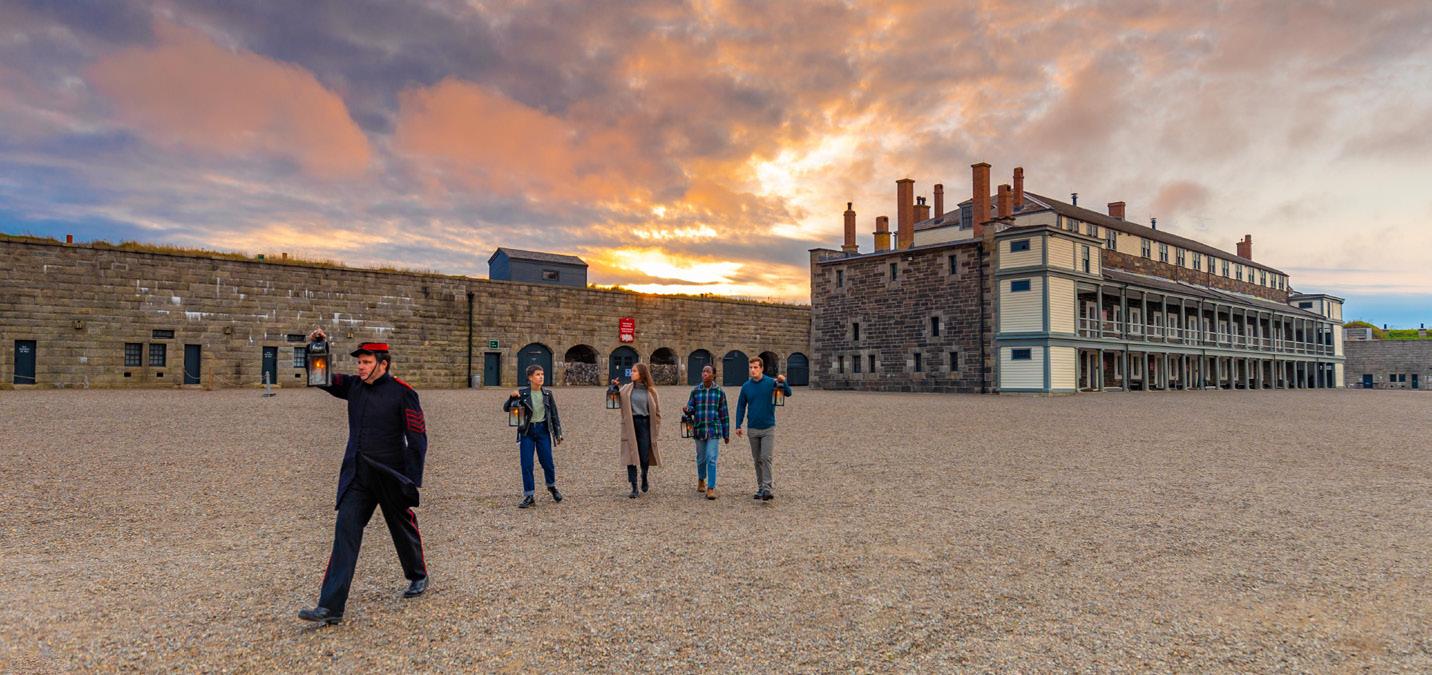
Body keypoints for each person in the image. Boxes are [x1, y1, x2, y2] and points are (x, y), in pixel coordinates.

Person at [298, 330, 429, 626]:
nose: (360, 367)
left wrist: (411, 480)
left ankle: (418, 574)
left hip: (389, 475)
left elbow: (417, 437)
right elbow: (321, 377)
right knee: (345, 533)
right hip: (358, 475)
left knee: (401, 528)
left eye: (367, 362)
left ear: (383, 364)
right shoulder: (353, 386)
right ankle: (330, 607)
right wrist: (317, 347)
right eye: (359, 362)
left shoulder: (403, 392)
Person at [504, 364, 564, 509]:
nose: (541, 377)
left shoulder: (547, 394)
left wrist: (558, 433)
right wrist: (511, 397)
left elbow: (554, 414)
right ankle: (529, 495)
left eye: (542, 374)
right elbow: (506, 408)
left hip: (543, 431)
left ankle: (552, 486)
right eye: (537, 374)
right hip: (527, 432)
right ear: (530, 377)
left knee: (547, 462)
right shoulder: (522, 393)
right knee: (527, 464)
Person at [734, 357, 791, 501]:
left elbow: (788, 393)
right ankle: (760, 488)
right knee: (757, 460)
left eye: (755, 367)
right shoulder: (746, 387)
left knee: (766, 457)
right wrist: (738, 425)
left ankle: (767, 488)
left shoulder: (771, 382)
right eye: (751, 367)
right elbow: (741, 406)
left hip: (768, 427)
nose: (753, 370)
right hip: (752, 428)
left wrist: (783, 381)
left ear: (762, 368)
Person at [683, 364, 729, 500]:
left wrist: (726, 434)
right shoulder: (696, 391)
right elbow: (691, 407)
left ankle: (711, 488)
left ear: (713, 375)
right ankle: (701, 479)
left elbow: (724, 414)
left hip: (714, 429)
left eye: (708, 371)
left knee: (711, 458)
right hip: (699, 428)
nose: (705, 373)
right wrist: (688, 409)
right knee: (701, 458)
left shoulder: (719, 392)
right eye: (703, 371)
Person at [617, 362, 662, 498]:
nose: (631, 373)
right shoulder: (626, 389)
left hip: (645, 424)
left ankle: (644, 475)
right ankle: (634, 487)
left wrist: (656, 428)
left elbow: (657, 413)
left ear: (642, 374)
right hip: (631, 424)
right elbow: (615, 397)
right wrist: (614, 387)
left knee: (644, 455)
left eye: (634, 371)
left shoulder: (651, 392)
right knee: (630, 455)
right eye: (631, 371)